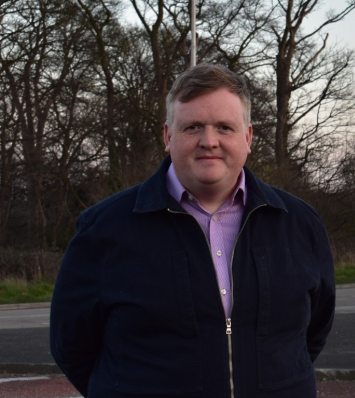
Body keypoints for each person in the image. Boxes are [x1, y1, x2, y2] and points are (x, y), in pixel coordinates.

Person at [50, 64, 336, 398]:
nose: (208, 141)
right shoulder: (103, 229)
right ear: (168, 137)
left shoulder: (299, 223)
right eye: (193, 127)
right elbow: (71, 344)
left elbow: (312, 332)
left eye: (224, 127)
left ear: (248, 137)